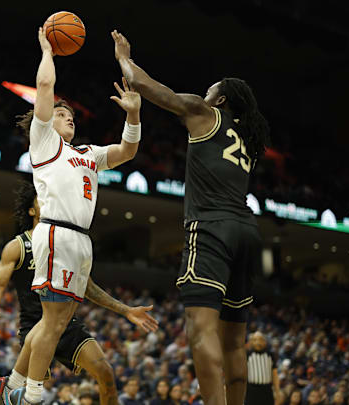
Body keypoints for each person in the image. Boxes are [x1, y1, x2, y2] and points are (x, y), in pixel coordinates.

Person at [112, 29, 270, 405]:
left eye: (211, 88)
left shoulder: (204, 111)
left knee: (201, 330)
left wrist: (123, 58)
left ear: (222, 98)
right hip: (247, 231)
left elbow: (146, 85)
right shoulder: (247, 138)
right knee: (234, 342)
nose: (205, 91)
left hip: (212, 228)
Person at [2, 25, 143, 405]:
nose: (70, 118)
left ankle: (13, 384)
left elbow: (127, 153)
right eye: (62, 115)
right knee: (52, 320)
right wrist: (47, 51)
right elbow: (45, 89)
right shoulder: (45, 143)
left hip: (81, 239)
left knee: (60, 320)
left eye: (71, 116)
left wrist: (134, 117)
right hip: (57, 233)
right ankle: (28, 396)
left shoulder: (87, 153)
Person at [0, 183, 157, 405]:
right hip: (36, 327)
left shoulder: (64, 243)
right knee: (27, 397)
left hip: (67, 324)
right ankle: (9, 387)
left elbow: (88, 287)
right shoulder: (17, 246)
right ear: (31, 210)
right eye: (42, 198)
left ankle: (9, 385)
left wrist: (126, 311)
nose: (49, 201)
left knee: (106, 373)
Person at [246, 332, 279, 405]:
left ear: (265, 342)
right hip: (251, 391)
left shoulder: (270, 355)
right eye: (255, 340)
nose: (258, 342)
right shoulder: (247, 355)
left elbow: (275, 375)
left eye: (260, 339)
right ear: (251, 342)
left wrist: (277, 392)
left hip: (267, 390)